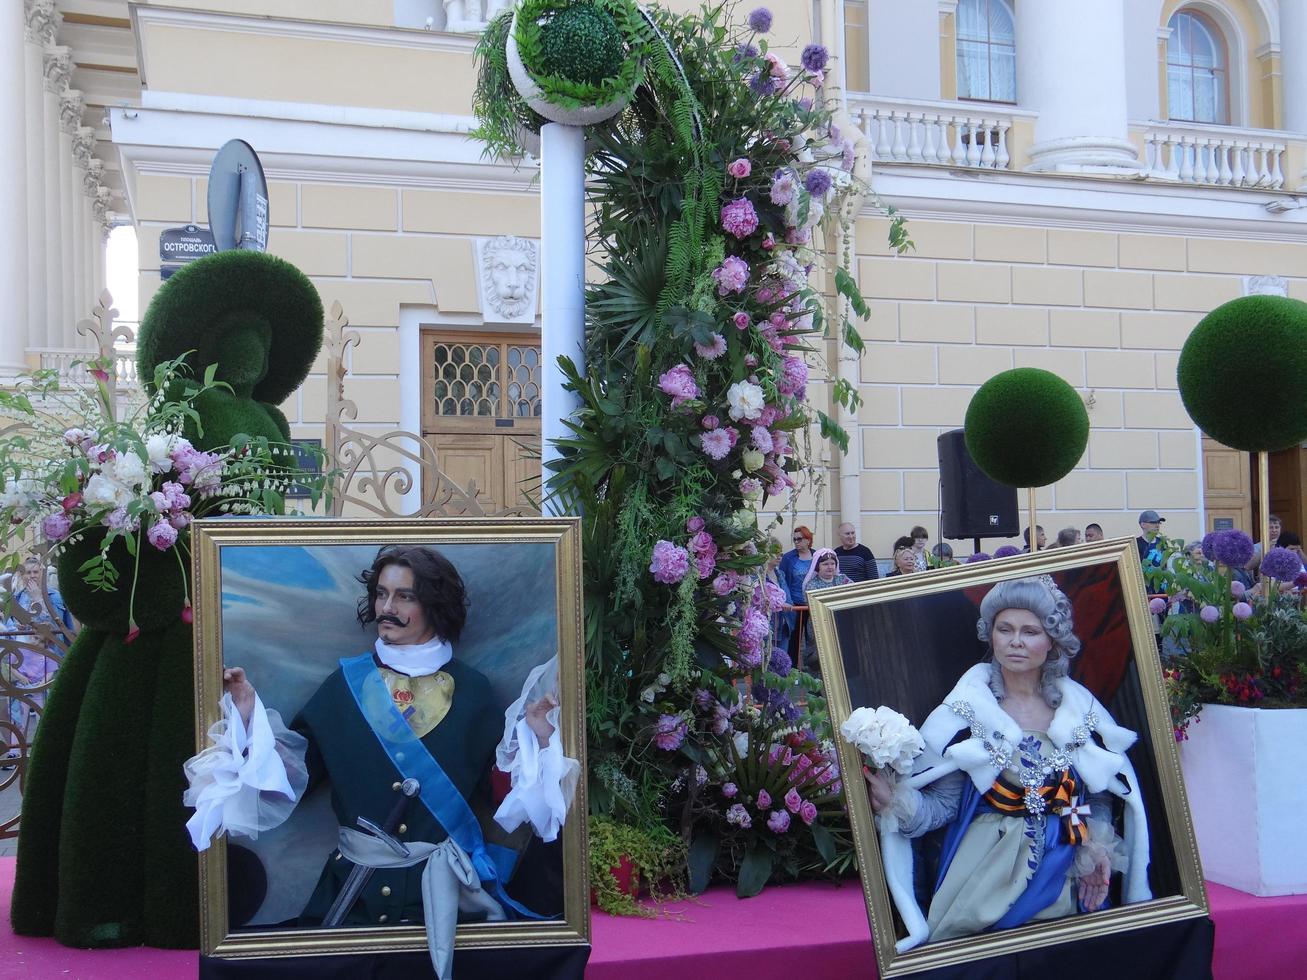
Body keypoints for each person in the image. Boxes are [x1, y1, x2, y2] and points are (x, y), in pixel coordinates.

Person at [183, 545, 577, 972]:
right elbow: (291, 775)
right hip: (352, 899)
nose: (387, 608)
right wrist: (245, 722)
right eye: (382, 594)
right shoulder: (344, 686)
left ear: (434, 604)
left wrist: (536, 745)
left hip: (449, 905)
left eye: (405, 596)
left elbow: (503, 802)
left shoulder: (474, 692)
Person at [863, 576, 1150, 949]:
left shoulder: (1079, 711)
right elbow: (943, 808)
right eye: (1005, 629)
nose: (1016, 641)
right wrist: (896, 802)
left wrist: (1096, 850)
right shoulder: (964, 714)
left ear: (1052, 641)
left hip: (1064, 874)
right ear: (991, 635)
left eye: (1030, 631)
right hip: (984, 878)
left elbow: (1096, 796)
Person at [3, 557, 73, 760]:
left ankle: (50, 754)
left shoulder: (55, 596)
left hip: (51, 661)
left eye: (36, 572)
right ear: (22, 575)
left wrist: (37, 599)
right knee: (19, 710)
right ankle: (19, 752)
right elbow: (8, 629)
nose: (32, 576)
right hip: (23, 664)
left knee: (50, 709)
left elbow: (56, 630)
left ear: (42, 573)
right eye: (28, 572)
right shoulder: (15, 598)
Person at [779, 526, 817, 661]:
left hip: (813, 604)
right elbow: (781, 580)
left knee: (814, 640)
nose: (796, 542)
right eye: (794, 539)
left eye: (799, 539)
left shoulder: (817, 556)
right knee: (793, 639)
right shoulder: (789, 558)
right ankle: (791, 670)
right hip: (795, 605)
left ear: (808, 540)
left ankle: (814, 672)